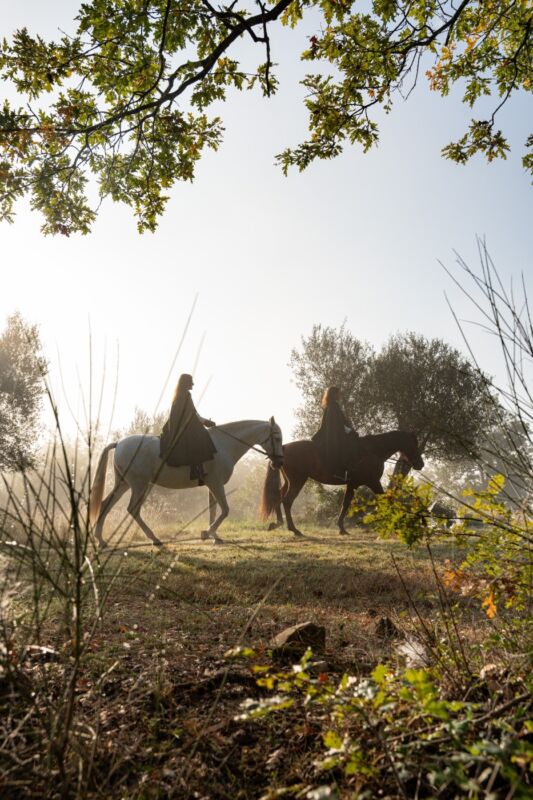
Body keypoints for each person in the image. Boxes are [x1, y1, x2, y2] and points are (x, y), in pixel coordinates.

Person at [159, 373, 216, 485]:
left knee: (199, 433)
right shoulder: (185, 395)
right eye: (191, 382)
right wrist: (205, 422)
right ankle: (196, 471)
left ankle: (196, 470)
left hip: (178, 426)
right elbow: (193, 414)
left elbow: (191, 414)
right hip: (181, 428)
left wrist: (204, 422)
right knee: (200, 436)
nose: (193, 385)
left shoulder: (180, 395)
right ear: (186, 383)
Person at [312, 386, 359, 479]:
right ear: (334, 394)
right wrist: (351, 431)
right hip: (335, 436)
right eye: (338, 393)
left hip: (332, 435)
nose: (340, 395)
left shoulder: (330, 406)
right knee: (350, 445)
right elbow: (340, 424)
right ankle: (340, 472)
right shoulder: (334, 406)